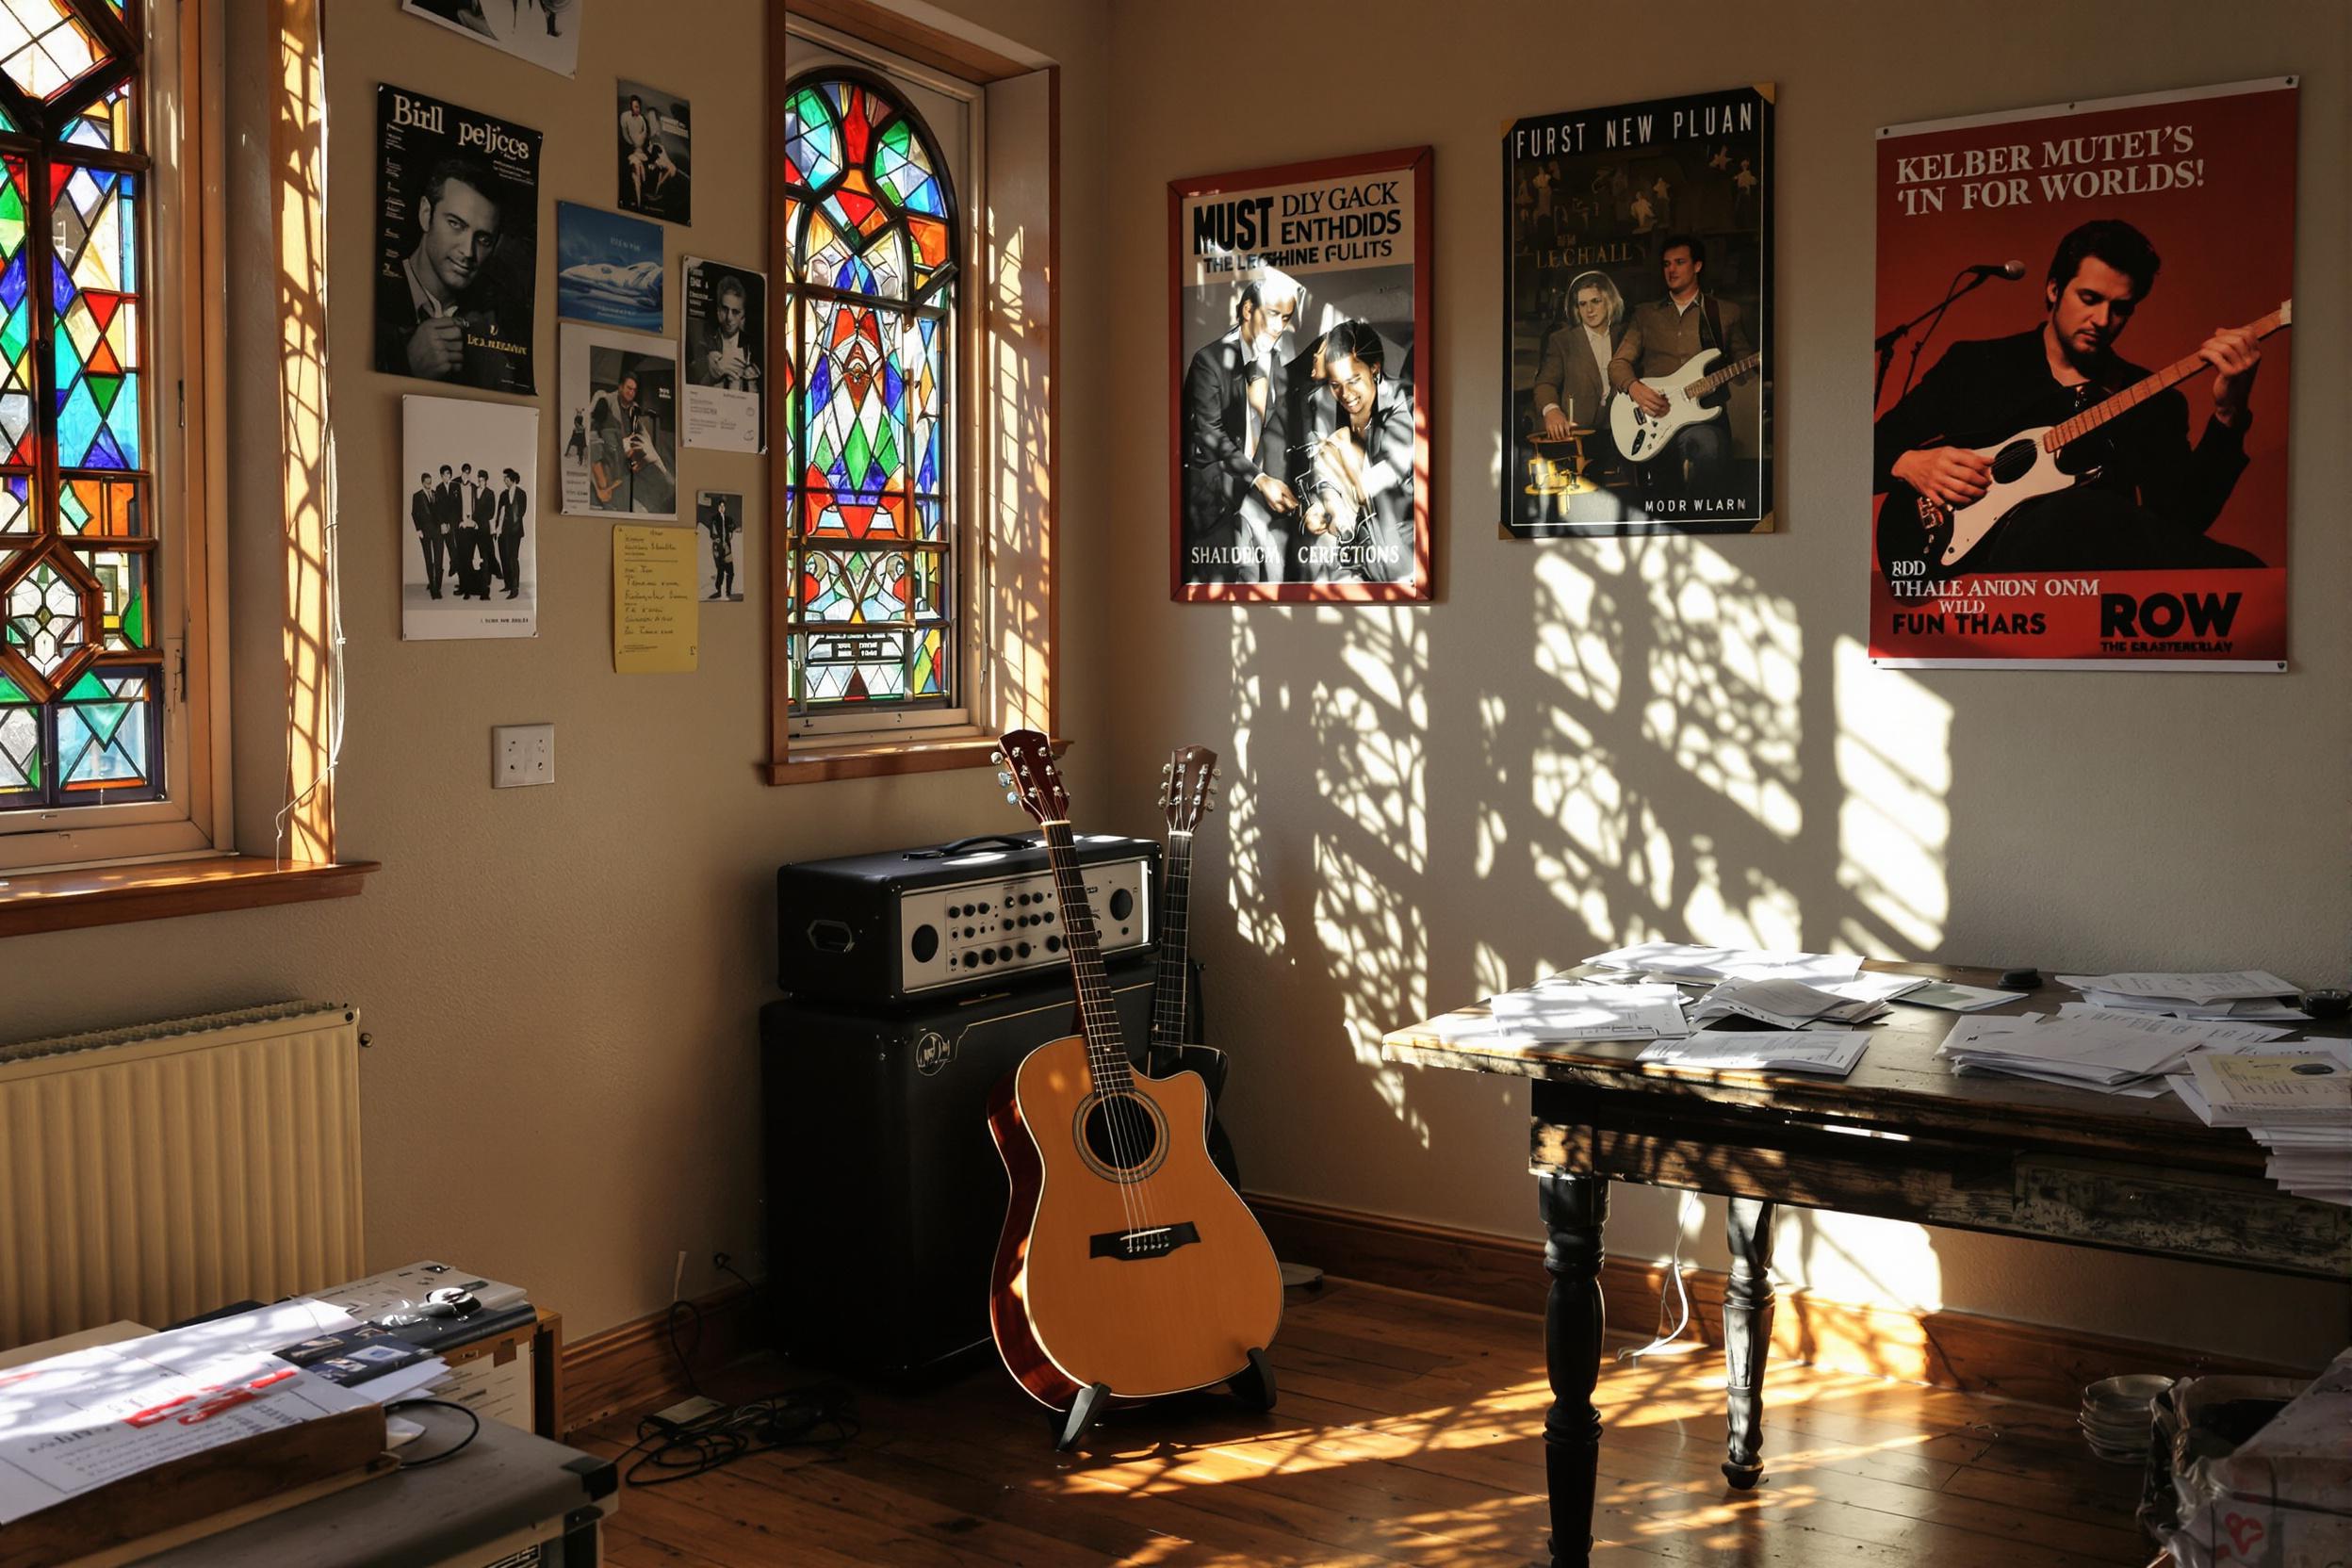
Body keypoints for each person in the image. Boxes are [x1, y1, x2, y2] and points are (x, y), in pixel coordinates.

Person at [1871, 218, 2264, 573]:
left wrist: (2229, 415)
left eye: (2121, 309)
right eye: (2090, 299)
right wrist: (1910, 463)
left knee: (2093, 515)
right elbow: (1867, 452)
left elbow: (2181, 524)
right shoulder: (1975, 365)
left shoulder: (2153, 401)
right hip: (1969, 575)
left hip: (2080, 593)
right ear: (2054, 288)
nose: (2102, 320)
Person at [1609, 234, 1756, 509]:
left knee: (1710, 449)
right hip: (1653, 418)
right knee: (1661, 494)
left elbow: (1745, 364)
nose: (1671, 270)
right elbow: (1617, 365)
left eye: (1679, 262)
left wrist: (1751, 366)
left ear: (1697, 266)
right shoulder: (1645, 315)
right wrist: (1635, 388)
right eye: (1666, 264)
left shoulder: (1725, 313)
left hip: (1703, 418)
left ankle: (1702, 526)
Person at [1181, 272, 1302, 583]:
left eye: (1286, 318)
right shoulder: (1209, 361)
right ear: (1248, 310)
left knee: (1270, 583)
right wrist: (1261, 480)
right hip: (1212, 499)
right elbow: (1210, 435)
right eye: (1273, 314)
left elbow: (1276, 429)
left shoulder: (1274, 362)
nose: (1279, 327)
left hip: (1254, 497)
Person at [376, 158, 516, 386]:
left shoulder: (494, 326)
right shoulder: (373, 294)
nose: (468, 251)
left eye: (483, 239)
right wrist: (405, 363)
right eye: (455, 224)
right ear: (425, 214)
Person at [1298, 320, 1413, 584]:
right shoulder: (1324, 409)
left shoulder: (1407, 404)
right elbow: (1322, 472)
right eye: (1336, 384)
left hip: (1410, 573)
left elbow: (1381, 478)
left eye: (1353, 380)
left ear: (1374, 368)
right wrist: (1327, 503)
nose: (1345, 394)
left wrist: (1344, 455)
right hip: (1358, 572)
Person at [1532, 270, 1627, 467]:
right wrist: (1552, 411)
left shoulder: (1626, 334)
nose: (1589, 310)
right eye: (1582, 304)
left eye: (1595, 301)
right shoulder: (1562, 340)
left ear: (1610, 301)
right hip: (1579, 436)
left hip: (1624, 432)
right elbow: (1545, 383)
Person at [689, 274, 760, 390]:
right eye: (725, 309)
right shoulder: (705, 341)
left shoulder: (753, 346)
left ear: (743, 315)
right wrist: (710, 372)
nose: (729, 318)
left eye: (735, 312)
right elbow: (691, 385)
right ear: (718, 309)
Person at [497, 467, 528, 599]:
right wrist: (498, 528)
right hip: (503, 531)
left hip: (515, 531)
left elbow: (521, 512)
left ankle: (515, 589)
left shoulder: (521, 493)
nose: (504, 480)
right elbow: (499, 511)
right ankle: (508, 585)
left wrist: (510, 524)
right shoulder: (503, 494)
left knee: (513, 558)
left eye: (506, 478)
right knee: (504, 557)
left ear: (512, 479)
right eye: (504, 478)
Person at [619, 94, 651, 207]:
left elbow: (643, 138)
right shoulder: (625, 117)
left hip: (639, 153)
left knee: (639, 169)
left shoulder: (642, 120)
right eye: (635, 107)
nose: (636, 109)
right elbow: (626, 136)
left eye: (638, 107)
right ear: (631, 107)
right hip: (632, 152)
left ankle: (640, 201)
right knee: (637, 168)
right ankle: (639, 202)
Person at [704, 496, 737, 599]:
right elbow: (712, 533)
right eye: (720, 506)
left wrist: (731, 532)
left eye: (723, 506)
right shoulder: (714, 519)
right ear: (718, 508)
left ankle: (728, 591)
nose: (722, 508)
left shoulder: (728, 519)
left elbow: (733, 526)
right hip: (718, 547)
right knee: (720, 570)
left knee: (731, 571)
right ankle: (718, 590)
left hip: (727, 547)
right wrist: (716, 539)